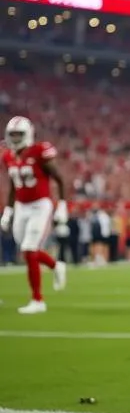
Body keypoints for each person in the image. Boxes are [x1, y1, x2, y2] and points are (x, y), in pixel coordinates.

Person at [1, 116, 69, 313]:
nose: (15, 138)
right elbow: (14, 186)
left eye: (18, 134)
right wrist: (8, 211)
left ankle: (38, 300)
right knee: (26, 251)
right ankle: (56, 266)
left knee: (30, 249)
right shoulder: (8, 156)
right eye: (12, 134)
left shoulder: (39, 151)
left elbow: (59, 178)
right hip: (21, 206)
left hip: (41, 205)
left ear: (28, 134)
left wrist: (62, 205)